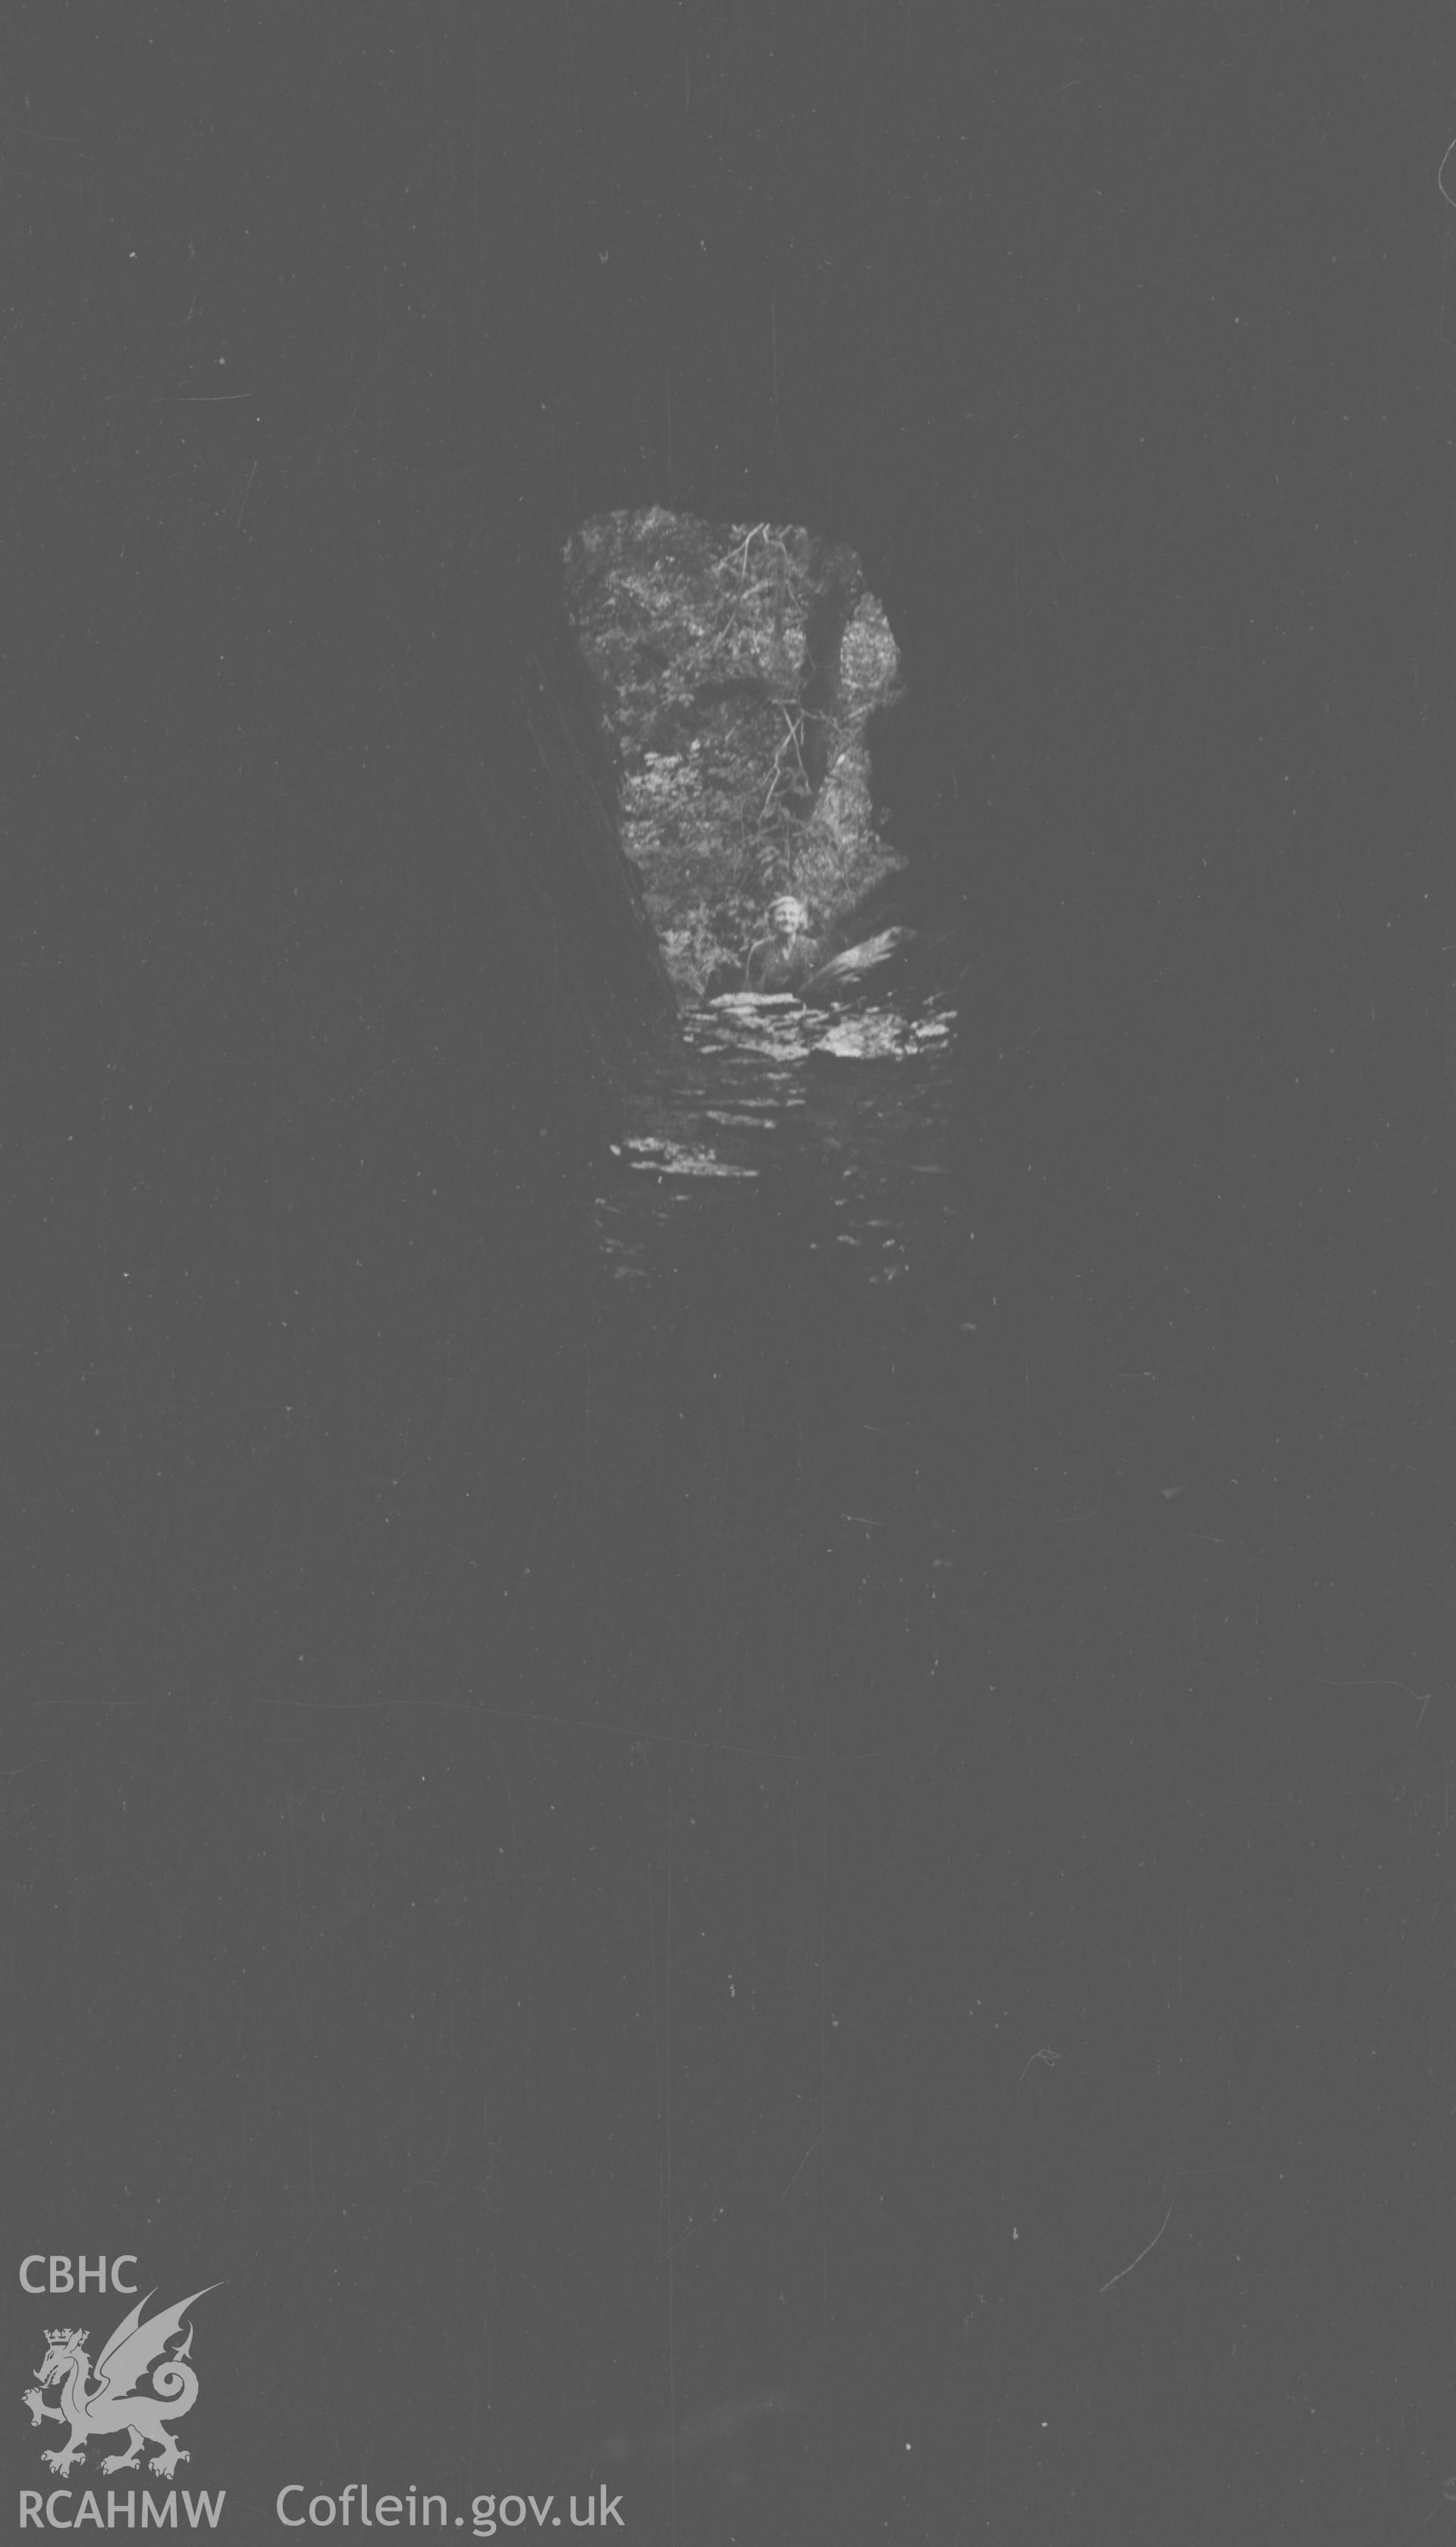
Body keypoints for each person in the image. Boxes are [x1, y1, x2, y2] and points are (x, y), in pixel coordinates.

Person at [742, 894, 821, 992]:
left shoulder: (812, 947)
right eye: (781, 914)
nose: (787, 919)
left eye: (792, 914)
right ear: (772, 919)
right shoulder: (759, 950)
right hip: (768, 1006)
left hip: (806, 1006)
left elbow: (821, 984)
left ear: (799, 920)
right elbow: (751, 989)